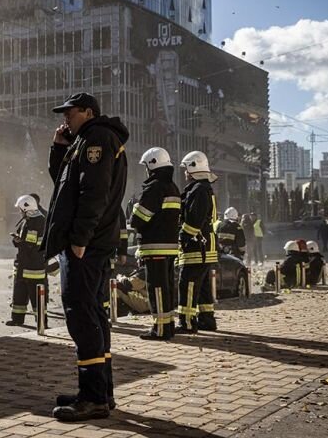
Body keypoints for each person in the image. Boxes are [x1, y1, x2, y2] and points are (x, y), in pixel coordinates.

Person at [43, 92, 128, 422]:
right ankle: (101, 393)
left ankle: (92, 398)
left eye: (70, 112)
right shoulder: (84, 141)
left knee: (81, 315)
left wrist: (79, 239)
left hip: (86, 246)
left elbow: (94, 192)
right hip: (88, 244)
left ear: (88, 111)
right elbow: (64, 186)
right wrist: (59, 148)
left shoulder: (98, 139)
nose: (65, 118)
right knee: (91, 313)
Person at [129, 147, 180, 341]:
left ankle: (160, 329)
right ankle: (168, 325)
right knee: (165, 287)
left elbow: (139, 219)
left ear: (152, 165)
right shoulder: (173, 187)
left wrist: (134, 207)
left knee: (156, 288)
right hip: (170, 246)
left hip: (154, 246)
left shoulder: (154, 187)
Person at [176, 151, 218, 333]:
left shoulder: (199, 190)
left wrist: (183, 237)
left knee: (189, 283)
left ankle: (186, 322)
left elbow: (195, 219)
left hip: (196, 246)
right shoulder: (204, 188)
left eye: (186, 168)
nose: (184, 172)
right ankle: (207, 320)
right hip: (205, 245)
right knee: (203, 287)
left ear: (193, 168)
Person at [7, 194, 48, 326]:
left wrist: (20, 241)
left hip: (33, 267)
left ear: (26, 208)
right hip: (23, 265)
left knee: (36, 297)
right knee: (19, 294)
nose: (19, 212)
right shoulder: (27, 220)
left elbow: (31, 245)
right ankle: (17, 319)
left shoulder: (37, 222)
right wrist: (17, 240)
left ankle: (41, 322)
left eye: (20, 209)